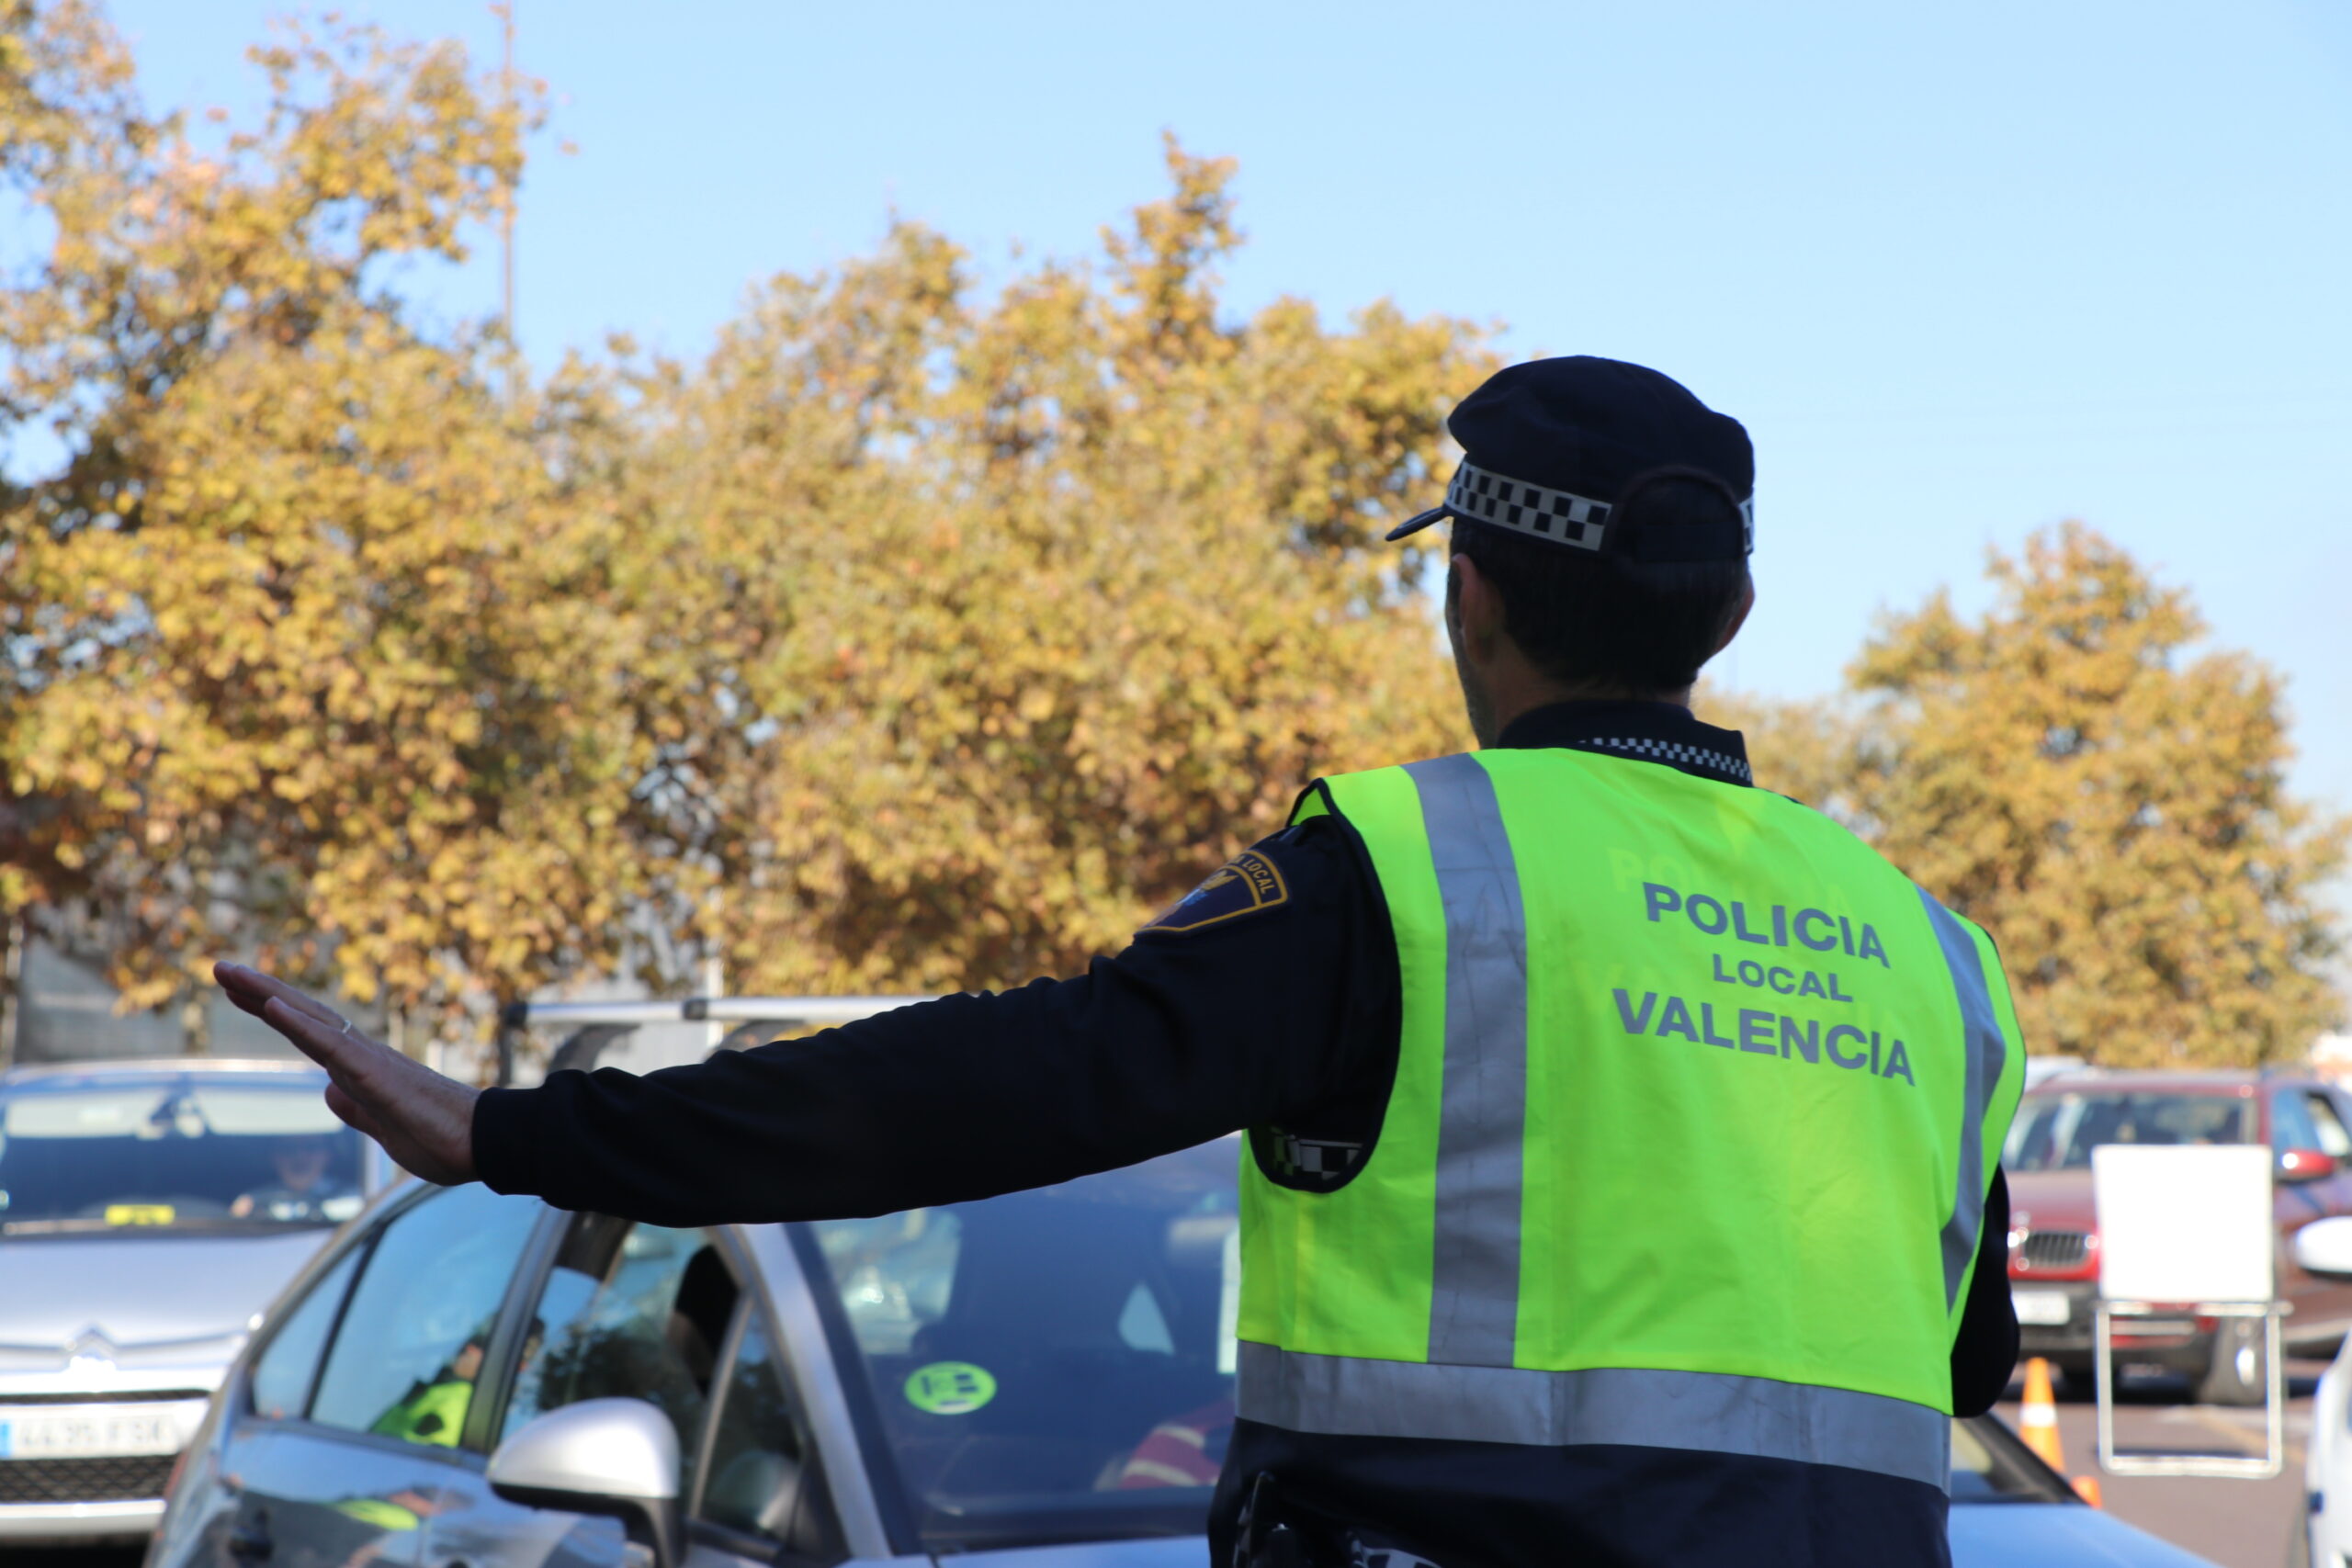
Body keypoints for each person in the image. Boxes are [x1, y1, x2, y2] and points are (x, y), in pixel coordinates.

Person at [219, 355, 2025, 1568]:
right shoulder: (1925, 957)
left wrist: (512, 1134)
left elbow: (994, 1086)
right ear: (1725, 614)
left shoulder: (1412, 871)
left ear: (1463, 587)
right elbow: (1945, 1368)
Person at [230, 1131, 356, 1221]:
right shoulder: (251, 1203)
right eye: (288, 1148)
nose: (299, 1157)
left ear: (328, 1155)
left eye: (310, 1147)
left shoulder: (356, 1202)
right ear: (274, 1157)